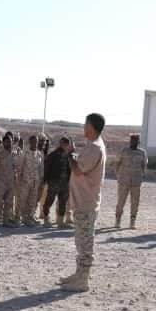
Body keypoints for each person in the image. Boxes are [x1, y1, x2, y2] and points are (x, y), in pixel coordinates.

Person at [57, 113, 107, 292]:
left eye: (85, 124)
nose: (83, 127)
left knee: (85, 242)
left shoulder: (94, 147)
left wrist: (70, 154)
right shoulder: (93, 146)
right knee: (81, 240)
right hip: (84, 200)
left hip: (86, 202)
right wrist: (73, 153)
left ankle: (82, 280)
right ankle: (79, 275)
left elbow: (78, 170)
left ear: (91, 126)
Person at [114, 133, 147, 229]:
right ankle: (118, 220)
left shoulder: (142, 152)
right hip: (123, 181)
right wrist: (118, 175)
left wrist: (141, 176)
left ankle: (132, 221)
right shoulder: (124, 151)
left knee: (135, 202)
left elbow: (144, 165)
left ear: (138, 142)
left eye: (136, 141)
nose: (134, 142)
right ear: (130, 141)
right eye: (133, 141)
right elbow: (117, 163)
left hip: (136, 182)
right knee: (121, 201)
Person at [0, 132, 19, 226]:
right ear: (3, 143)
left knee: (9, 202)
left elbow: (16, 166)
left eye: (10, 142)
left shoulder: (14, 153)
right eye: (7, 142)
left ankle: (6, 221)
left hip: (11, 181)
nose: (9, 144)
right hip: (0, 181)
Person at [43, 136, 72, 228]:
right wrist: (45, 180)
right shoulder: (53, 155)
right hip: (54, 182)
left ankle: (60, 221)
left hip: (64, 183)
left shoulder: (67, 155)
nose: (66, 146)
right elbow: (47, 168)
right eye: (64, 144)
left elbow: (69, 169)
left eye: (67, 144)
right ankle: (46, 219)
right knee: (49, 201)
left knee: (63, 202)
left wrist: (69, 181)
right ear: (61, 144)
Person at [16, 135, 44, 226]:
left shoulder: (39, 154)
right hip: (25, 181)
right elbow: (19, 167)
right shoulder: (25, 153)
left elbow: (41, 169)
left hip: (35, 182)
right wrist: (19, 180)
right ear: (30, 142)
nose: (35, 143)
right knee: (22, 199)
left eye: (36, 141)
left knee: (32, 200)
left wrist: (40, 179)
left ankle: (30, 218)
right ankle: (18, 217)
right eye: (33, 141)